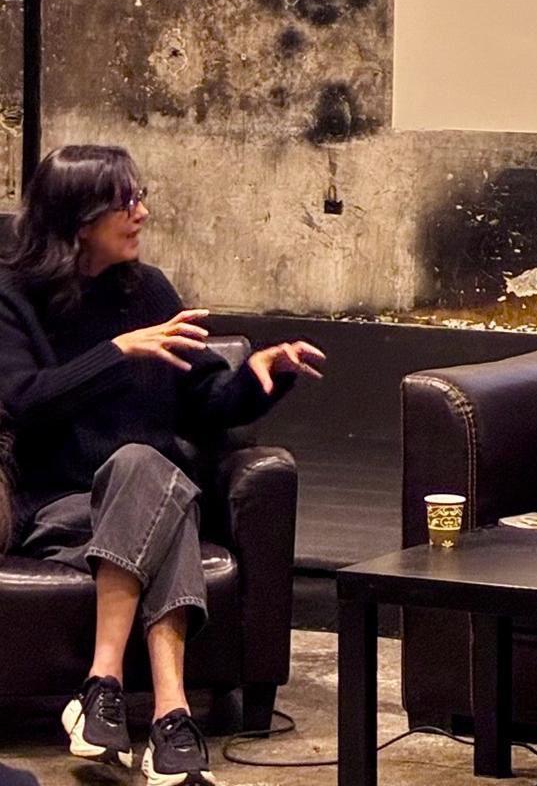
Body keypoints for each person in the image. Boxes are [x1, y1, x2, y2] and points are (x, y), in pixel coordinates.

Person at [0, 145, 325, 786]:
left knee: (148, 471)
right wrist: (117, 352)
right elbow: (20, 400)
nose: (142, 213)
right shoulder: (13, 296)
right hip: (66, 509)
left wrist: (258, 376)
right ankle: (171, 718)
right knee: (153, 482)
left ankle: (110, 691)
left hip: (150, 498)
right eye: (126, 202)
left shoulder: (147, 290)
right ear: (78, 218)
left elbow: (206, 402)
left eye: (140, 197)